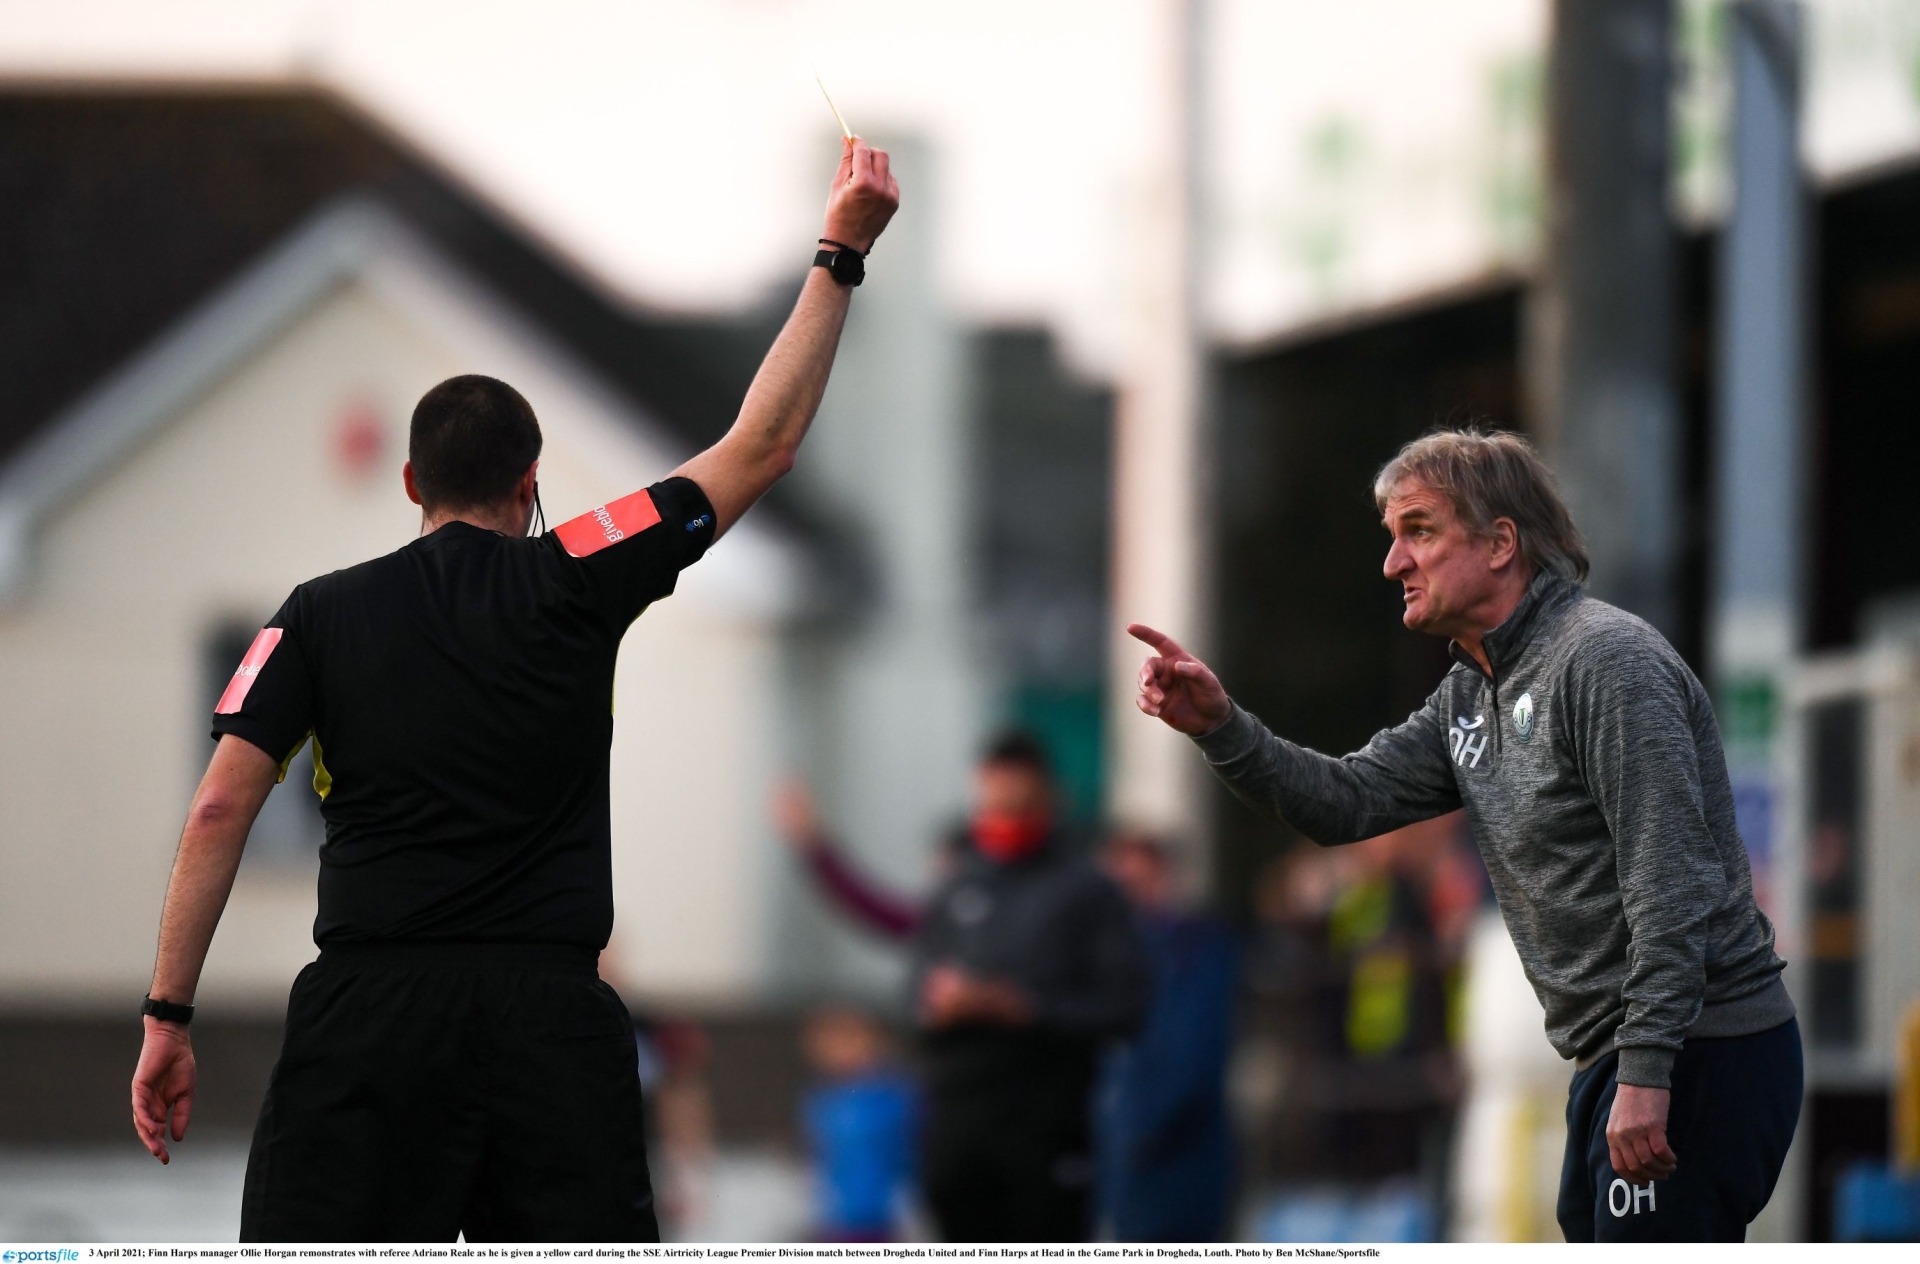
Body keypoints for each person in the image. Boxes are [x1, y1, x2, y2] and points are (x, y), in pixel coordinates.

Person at [128, 137, 899, 1241]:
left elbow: (216, 809)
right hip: (548, 1030)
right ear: (531, 481)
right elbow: (760, 445)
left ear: (410, 483)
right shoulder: (582, 567)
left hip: (367, 1021)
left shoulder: (315, 612)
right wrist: (840, 253)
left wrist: (167, 1016)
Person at [1130, 428, 1801, 1243]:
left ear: (1500, 543)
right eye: (1393, 539)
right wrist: (1221, 727)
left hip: (1700, 1046)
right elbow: (1344, 801)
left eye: (1419, 531)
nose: (1393, 564)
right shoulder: (1469, 694)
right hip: (1619, 1055)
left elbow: (1672, 883)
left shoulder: (1604, 661)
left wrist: (1649, 1072)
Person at [910, 732, 1150, 1242]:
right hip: (959, 1129)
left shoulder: (1088, 890)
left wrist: (1026, 1008)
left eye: (1020, 805)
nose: (1006, 818)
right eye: (996, 803)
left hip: (1045, 1127)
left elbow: (1125, 1007)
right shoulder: (957, 885)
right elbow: (912, 996)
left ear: (1049, 799)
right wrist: (941, 1005)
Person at [1095, 832, 1240, 1242]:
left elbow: (1193, 1060)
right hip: (1124, 1172)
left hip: (1178, 1169)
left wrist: (1132, 1133)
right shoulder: (1108, 956)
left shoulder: (1195, 950)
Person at [798, 1007, 917, 1241]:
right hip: (836, 1220)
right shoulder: (821, 1100)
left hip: (883, 1219)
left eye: (846, 1039)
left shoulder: (893, 1095)